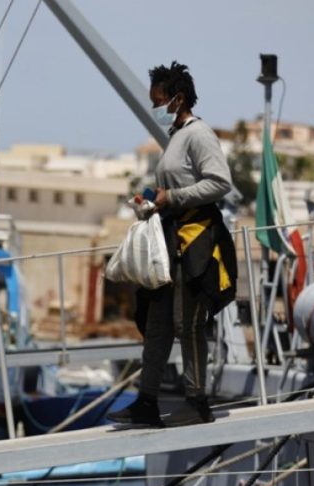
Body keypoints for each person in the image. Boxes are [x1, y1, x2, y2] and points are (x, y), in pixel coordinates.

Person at [107, 61, 237, 428]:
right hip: (168, 243)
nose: (155, 108)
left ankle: (198, 403)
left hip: (194, 241)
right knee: (158, 322)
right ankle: (147, 402)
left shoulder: (199, 135)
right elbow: (171, 191)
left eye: (158, 100)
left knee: (188, 323)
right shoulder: (176, 138)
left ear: (178, 99)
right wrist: (149, 199)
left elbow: (219, 183)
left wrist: (172, 198)